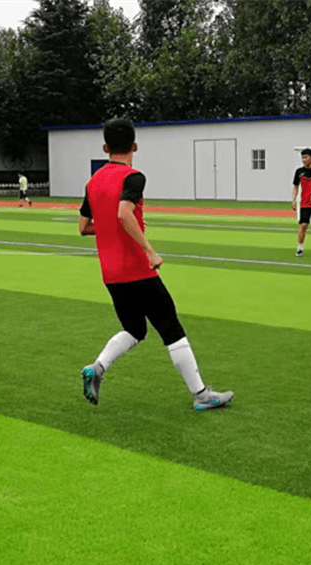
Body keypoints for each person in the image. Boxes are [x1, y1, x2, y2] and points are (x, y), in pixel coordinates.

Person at [78, 118, 233, 411]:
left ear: (105, 148)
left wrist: (109, 229)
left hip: (110, 272)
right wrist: (149, 251)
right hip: (136, 269)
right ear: (134, 146)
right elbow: (124, 213)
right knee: (170, 327)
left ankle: (97, 368)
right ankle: (201, 394)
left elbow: (84, 227)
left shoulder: (92, 182)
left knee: (135, 329)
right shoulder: (133, 177)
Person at [291, 148, 311, 256]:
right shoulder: (299, 172)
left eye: (306, 157)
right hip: (304, 204)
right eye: (302, 157)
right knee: (303, 225)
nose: (304, 160)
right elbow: (296, 187)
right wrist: (294, 200)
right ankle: (300, 247)